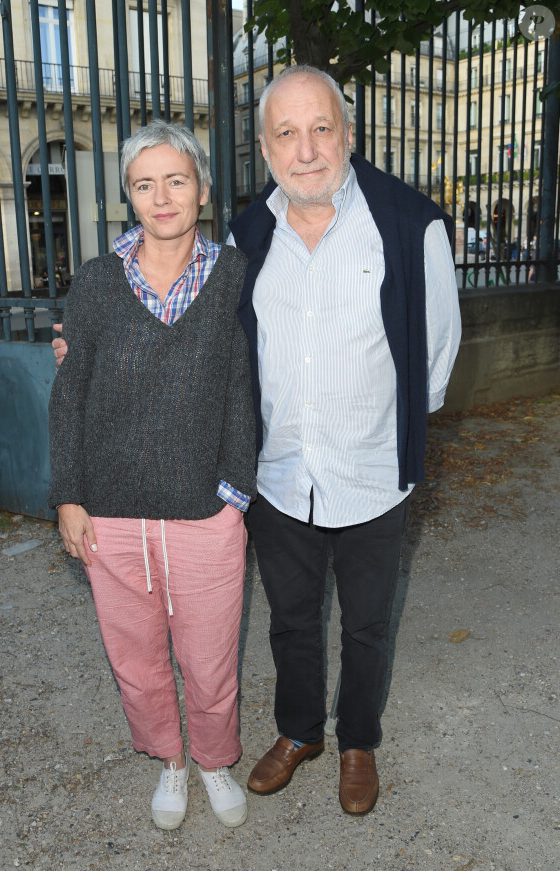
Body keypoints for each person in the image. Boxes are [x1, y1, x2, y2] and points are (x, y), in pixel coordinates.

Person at [53, 65, 461, 818]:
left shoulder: (411, 224)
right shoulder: (248, 234)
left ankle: (358, 740)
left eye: (321, 129)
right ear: (266, 150)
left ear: (347, 133)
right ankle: (299, 730)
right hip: (277, 474)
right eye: (286, 133)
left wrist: (392, 423)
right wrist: (80, 344)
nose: (306, 149)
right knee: (292, 616)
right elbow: (189, 318)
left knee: (370, 618)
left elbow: (437, 350)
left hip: (370, 468)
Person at [48, 120, 256, 831]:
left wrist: (233, 492)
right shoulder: (99, 282)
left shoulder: (235, 274)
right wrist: (69, 495)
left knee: (209, 653)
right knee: (135, 654)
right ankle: (169, 757)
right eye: (145, 184)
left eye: (177, 180)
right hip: (110, 510)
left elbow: (245, 384)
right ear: (129, 196)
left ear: (201, 187)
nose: (162, 196)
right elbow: (71, 391)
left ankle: (214, 758)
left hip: (205, 508)